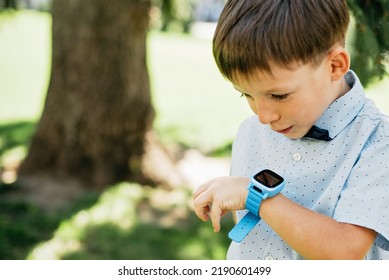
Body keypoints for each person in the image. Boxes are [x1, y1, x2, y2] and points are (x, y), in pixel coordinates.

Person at [192, 0, 389, 260]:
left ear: (334, 66)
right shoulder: (252, 133)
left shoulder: (378, 143)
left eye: (279, 95)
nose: (263, 116)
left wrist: (257, 198)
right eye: (246, 95)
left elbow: (345, 252)